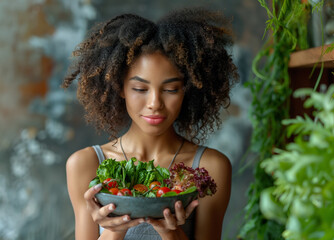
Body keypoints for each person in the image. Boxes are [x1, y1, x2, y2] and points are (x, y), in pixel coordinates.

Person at [63, 7, 239, 240]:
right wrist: (114, 231)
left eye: (170, 89)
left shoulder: (210, 166)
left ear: (188, 91)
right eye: (140, 89)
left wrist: (172, 233)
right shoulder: (85, 164)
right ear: (120, 87)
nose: (155, 103)